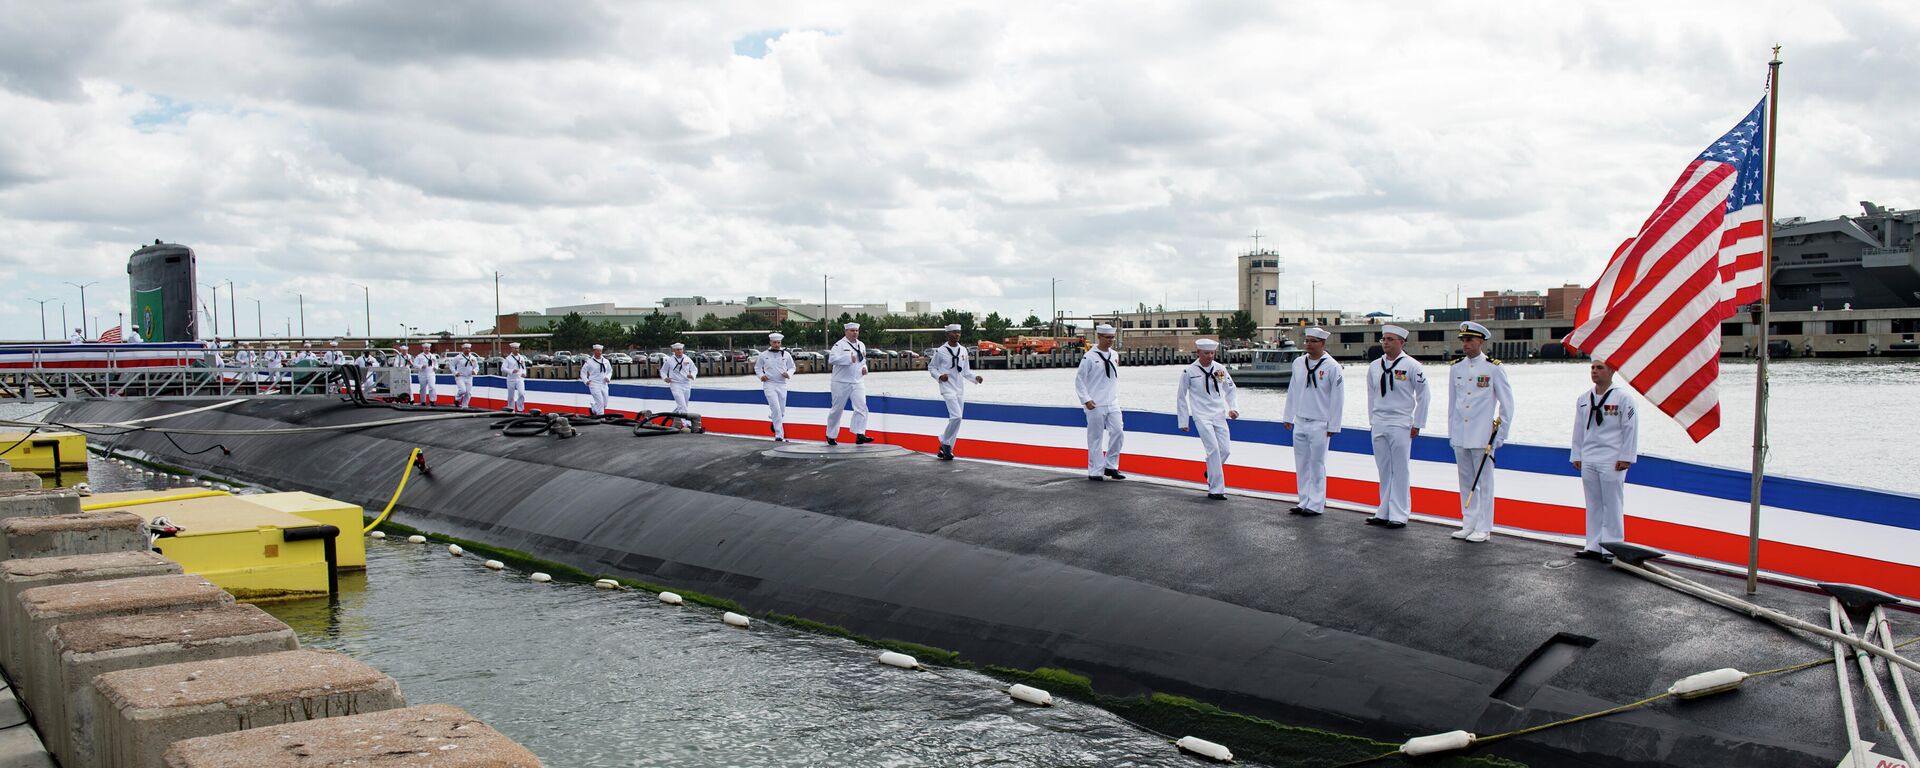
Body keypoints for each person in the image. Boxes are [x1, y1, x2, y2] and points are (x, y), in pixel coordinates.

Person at [1448, 321, 1515, 543]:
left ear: (1480, 341)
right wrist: (1452, 434)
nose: (1465, 344)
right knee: (1466, 481)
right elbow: (1453, 404)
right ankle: (1469, 523)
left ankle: (1484, 527)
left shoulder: (1494, 368)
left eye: (1469, 340)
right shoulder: (1456, 367)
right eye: (1463, 340)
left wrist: (1501, 436)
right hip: (1461, 434)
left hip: (1483, 435)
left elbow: (1507, 404)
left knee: (1484, 482)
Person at [1571, 360, 1637, 562]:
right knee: (1593, 503)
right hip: (1589, 456)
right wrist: (1577, 454)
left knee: (1612, 503)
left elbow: (1630, 428)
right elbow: (1578, 428)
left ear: (1612, 370)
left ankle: (1612, 547)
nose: (1594, 371)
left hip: (1612, 458)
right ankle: (1593, 545)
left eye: (1599, 368)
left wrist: (1626, 457)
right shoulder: (1584, 398)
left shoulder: (1623, 398)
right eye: (1592, 367)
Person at [1365, 325, 1429, 529]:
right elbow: (1371, 395)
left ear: (1401, 342)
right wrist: (1372, 420)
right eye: (1384, 339)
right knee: (1384, 469)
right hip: (1380, 422)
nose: (1385, 342)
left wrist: (1418, 423)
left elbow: (1424, 396)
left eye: (1390, 339)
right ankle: (1383, 510)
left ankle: (1400, 513)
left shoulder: (1413, 366)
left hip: (1401, 422)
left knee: (1400, 469)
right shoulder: (1375, 366)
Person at [1282, 328, 1344, 516]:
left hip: (1320, 422)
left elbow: (1337, 398)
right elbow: (1293, 390)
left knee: (1317, 464)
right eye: (1307, 340)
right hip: (1301, 420)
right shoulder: (1299, 363)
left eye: (1313, 341)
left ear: (1323, 344)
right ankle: (1303, 500)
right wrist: (1288, 415)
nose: (1308, 344)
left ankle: (1316, 503)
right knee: (1301, 463)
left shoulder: (1332, 367)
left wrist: (1334, 425)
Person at [1176, 338, 1238, 500]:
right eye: (1206, 353)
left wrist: (1233, 408)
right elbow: (1181, 397)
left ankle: (1211, 471)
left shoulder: (1219, 369)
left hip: (1218, 414)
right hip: (1201, 415)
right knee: (1213, 450)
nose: (1210, 356)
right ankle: (1216, 489)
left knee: (1225, 450)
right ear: (1198, 353)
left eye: (1212, 353)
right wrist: (1183, 421)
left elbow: (1230, 389)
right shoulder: (1189, 372)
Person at [927, 323, 984, 460]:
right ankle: (944, 441)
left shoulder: (963, 350)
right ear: (947, 334)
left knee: (958, 420)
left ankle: (947, 449)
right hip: (947, 387)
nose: (957, 334)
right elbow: (932, 367)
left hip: (959, 388)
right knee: (956, 416)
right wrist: (940, 376)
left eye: (958, 332)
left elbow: (965, 371)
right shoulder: (941, 351)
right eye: (953, 332)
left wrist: (975, 378)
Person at [1076, 324, 1126, 481]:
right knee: (1095, 437)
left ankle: (1111, 466)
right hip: (1095, 403)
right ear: (1099, 337)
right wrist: (1086, 399)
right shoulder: (1089, 357)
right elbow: (1079, 381)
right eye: (1107, 337)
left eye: (1112, 337)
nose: (1110, 340)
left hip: (1112, 402)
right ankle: (1096, 470)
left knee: (1118, 432)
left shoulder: (1114, 355)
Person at [825, 322, 875, 446]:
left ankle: (860, 434)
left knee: (862, 406)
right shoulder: (839, 345)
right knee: (837, 409)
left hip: (857, 380)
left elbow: (862, 360)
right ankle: (831, 435)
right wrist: (847, 359)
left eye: (856, 331)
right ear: (846, 332)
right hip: (841, 382)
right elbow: (832, 359)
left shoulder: (861, 345)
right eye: (852, 331)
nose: (855, 333)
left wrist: (865, 368)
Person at [755, 333, 795, 441]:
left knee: (781, 411)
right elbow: (757, 368)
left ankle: (774, 420)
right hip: (769, 384)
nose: (777, 345)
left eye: (778, 342)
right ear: (770, 343)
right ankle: (779, 435)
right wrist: (761, 376)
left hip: (782, 384)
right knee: (776, 409)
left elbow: (792, 367)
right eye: (774, 342)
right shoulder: (763, 355)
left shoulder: (786, 354)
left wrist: (789, 374)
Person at [660, 342, 698, 426]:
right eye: (678, 350)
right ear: (674, 350)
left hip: (686, 384)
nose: (680, 351)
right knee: (682, 405)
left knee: (684, 404)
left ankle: (672, 416)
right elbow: (663, 371)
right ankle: (687, 424)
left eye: (681, 349)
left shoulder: (687, 359)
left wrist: (692, 375)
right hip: (675, 384)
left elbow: (694, 369)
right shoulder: (669, 360)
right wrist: (665, 378)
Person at [580, 344, 612, 416]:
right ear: (594, 351)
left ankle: (593, 409)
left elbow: (610, 371)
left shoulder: (606, 361)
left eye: (600, 351)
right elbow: (583, 372)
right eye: (597, 351)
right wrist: (586, 381)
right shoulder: (589, 362)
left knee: (604, 403)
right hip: (594, 384)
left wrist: (608, 377)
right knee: (600, 402)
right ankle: (601, 418)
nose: (599, 352)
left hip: (604, 384)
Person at [501, 342, 530, 413]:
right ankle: (511, 409)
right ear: (512, 349)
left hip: (519, 378)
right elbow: (503, 368)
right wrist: (511, 371)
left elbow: (524, 368)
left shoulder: (521, 358)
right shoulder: (508, 359)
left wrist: (524, 373)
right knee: (511, 395)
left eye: (518, 348)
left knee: (521, 393)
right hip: (511, 379)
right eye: (515, 348)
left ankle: (520, 409)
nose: (517, 350)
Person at [451, 342, 478, 408]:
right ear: (463, 349)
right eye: (466, 348)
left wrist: (474, 371)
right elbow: (451, 365)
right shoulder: (458, 357)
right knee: (463, 390)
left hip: (469, 377)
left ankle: (465, 406)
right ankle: (457, 399)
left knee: (468, 392)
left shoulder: (473, 357)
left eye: (469, 348)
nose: (468, 350)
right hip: (460, 376)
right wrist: (455, 372)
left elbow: (476, 366)